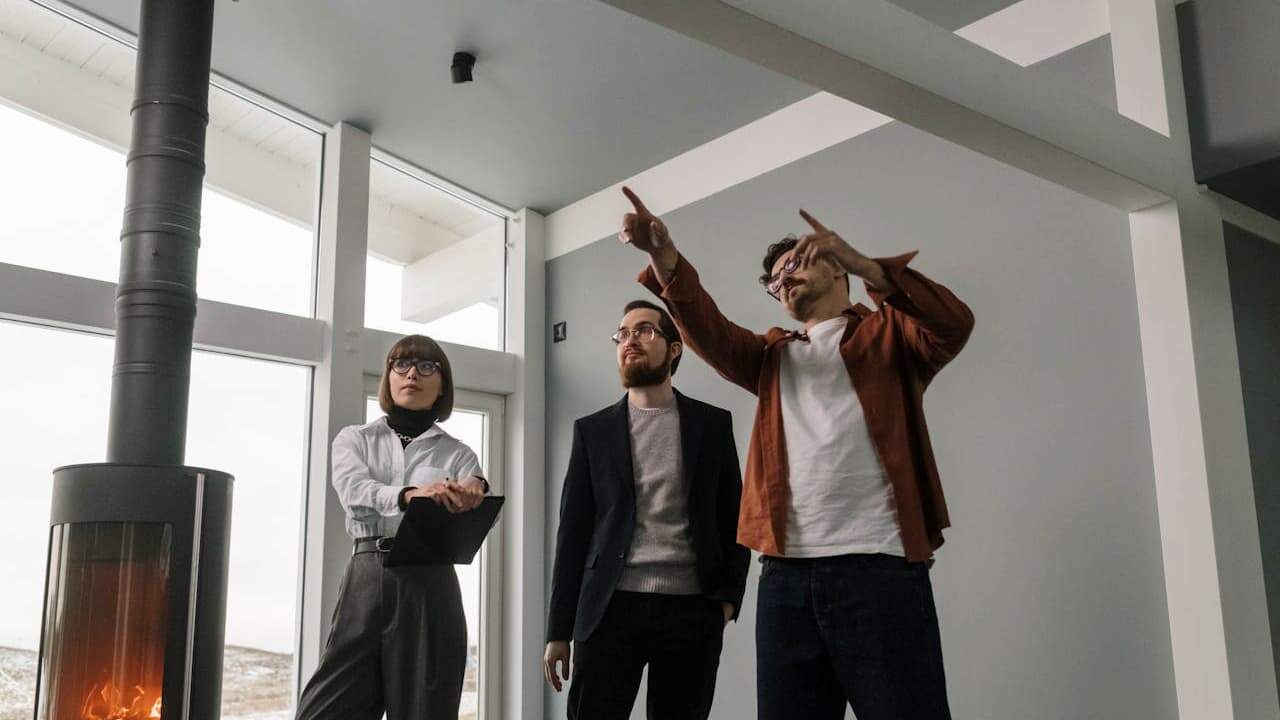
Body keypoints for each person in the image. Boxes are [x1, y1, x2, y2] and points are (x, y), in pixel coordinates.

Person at [620, 187, 974, 720]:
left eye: (796, 264)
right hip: (786, 580)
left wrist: (868, 265)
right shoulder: (770, 357)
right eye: (775, 279)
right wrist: (662, 254)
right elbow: (709, 331)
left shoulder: (891, 337)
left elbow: (953, 322)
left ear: (837, 271)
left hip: (880, 572)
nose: (783, 279)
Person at [543, 300, 750, 720]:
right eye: (622, 333)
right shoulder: (592, 431)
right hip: (608, 609)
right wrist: (558, 631)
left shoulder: (712, 425)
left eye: (644, 331)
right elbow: (574, 533)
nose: (630, 340)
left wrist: (727, 600)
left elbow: (734, 516)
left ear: (674, 349)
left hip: (692, 611)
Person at [295, 334, 490, 720]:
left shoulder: (458, 453)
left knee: (426, 710)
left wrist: (476, 488)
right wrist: (409, 496)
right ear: (388, 378)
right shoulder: (355, 439)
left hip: (430, 582)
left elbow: (475, 488)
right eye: (401, 365)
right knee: (323, 710)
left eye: (426, 367)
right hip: (366, 576)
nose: (411, 374)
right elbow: (353, 490)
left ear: (442, 386)